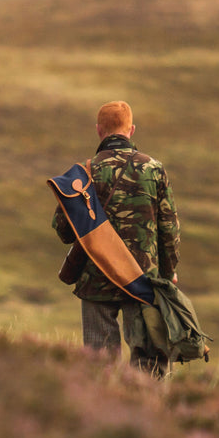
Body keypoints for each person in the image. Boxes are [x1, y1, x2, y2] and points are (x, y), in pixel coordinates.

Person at [53, 101, 180, 375]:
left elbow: (63, 230)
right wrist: (168, 274)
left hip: (95, 276)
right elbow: (169, 230)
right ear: (131, 130)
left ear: (99, 131)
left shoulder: (83, 174)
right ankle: (148, 414)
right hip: (142, 279)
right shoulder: (154, 170)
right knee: (148, 364)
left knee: (99, 364)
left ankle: (103, 411)